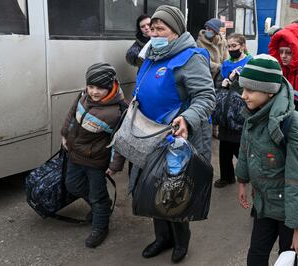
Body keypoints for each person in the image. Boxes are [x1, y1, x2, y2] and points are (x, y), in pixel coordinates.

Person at [129, 5, 215, 263]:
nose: (154, 33)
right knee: (152, 186)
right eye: (152, 29)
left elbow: (206, 97)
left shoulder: (191, 57)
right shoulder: (152, 55)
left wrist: (187, 118)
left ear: (176, 31)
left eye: (161, 29)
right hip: (149, 135)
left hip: (177, 138)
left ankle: (181, 242)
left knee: (174, 192)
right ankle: (162, 238)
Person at [235, 54, 298, 266]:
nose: (243, 96)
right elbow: (245, 149)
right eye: (242, 89)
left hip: (289, 212)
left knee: (288, 259)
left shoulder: (291, 123)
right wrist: (242, 180)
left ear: (269, 91)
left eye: (250, 90)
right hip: (264, 205)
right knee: (255, 257)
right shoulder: (253, 114)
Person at [61, 63, 126, 248]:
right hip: (75, 153)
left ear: (110, 86)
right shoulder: (83, 96)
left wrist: (114, 166)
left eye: (99, 88)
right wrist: (64, 134)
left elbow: (120, 141)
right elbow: (72, 115)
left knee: (97, 196)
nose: (94, 92)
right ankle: (103, 207)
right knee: (72, 184)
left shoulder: (118, 110)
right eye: (91, 87)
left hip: (96, 161)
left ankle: (100, 227)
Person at [214, 33, 252, 188]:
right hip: (226, 109)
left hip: (241, 110)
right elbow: (219, 84)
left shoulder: (250, 62)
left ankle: (250, 173)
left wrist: (238, 78)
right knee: (224, 147)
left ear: (242, 46)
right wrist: (224, 81)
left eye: (234, 46)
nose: (231, 49)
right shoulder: (226, 64)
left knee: (238, 146)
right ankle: (227, 177)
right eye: (228, 46)